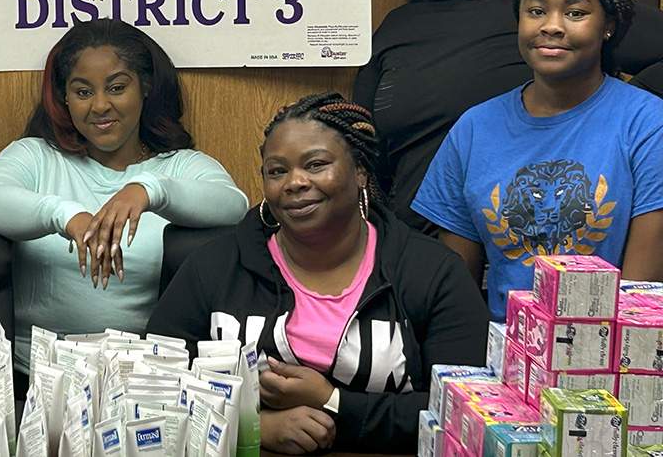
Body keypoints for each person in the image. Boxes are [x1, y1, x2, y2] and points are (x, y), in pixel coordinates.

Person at [147, 93, 488, 454]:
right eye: (277, 171)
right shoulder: (214, 266)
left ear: (360, 171)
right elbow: (154, 384)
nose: (294, 182)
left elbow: (465, 411)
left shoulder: (432, 272)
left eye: (315, 164)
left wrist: (334, 402)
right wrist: (253, 427)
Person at [353, 0, 663, 232]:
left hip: (529, 242)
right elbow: (362, 139)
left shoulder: (549, 13)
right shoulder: (401, 24)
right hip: (412, 245)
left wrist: (623, 113)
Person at [0, 18, 248, 372]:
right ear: (65, 97)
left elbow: (234, 205)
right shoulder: (36, 156)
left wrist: (149, 190)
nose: (100, 106)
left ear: (145, 87)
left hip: (143, 379)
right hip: (34, 380)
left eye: (116, 88)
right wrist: (66, 216)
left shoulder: (179, 166)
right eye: (83, 92)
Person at [413, 0, 663, 320]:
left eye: (575, 12)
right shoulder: (474, 129)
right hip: (502, 346)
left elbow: (640, 300)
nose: (551, 26)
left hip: (610, 346)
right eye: (536, 11)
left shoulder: (648, 123)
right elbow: (456, 294)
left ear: (608, 25)